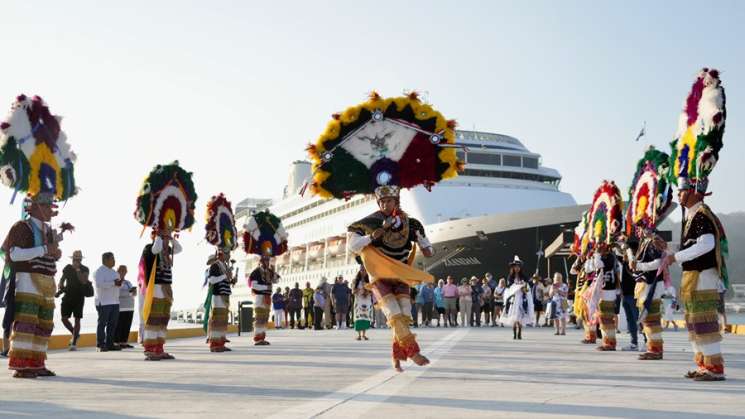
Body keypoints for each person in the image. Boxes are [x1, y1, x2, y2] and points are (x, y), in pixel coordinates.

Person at [348, 184, 435, 372]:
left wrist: (426, 246)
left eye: (389, 201)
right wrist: (372, 236)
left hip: (401, 275)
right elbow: (353, 247)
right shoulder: (368, 223)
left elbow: (428, 251)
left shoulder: (412, 224)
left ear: (397, 201)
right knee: (394, 314)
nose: (385, 204)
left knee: (404, 315)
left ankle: (396, 356)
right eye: (382, 201)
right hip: (379, 276)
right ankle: (413, 352)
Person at [663, 180, 728, 380]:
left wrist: (676, 257)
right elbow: (692, 248)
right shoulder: (693, 216)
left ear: (693, 192)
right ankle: (703, 364)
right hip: (694, 276)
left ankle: (714, 367)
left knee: (704, 320)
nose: (677, 193)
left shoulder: (701, 215)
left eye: (681, 190)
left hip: (703, 275)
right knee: (694, 321)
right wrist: (669, 251)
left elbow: (706, 244)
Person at [2, 193, 63, 378]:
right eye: (46, 206)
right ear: (35, 207)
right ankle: (21, 366)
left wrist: (55, 254)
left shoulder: (48, 230)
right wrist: (45, 249)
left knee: (44, 323)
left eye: (50, 206)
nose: (50, 210)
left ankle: (37, 363)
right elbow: (13, 254)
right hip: (28, 279)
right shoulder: (22, 227)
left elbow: (48, 254)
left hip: (47, 280)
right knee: (27, 321)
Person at [140, 227, 182, 360]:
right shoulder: (149, 248)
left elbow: (179, 249)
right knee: (154, 318)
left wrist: (170, 238)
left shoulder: (167, 250)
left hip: (166, 287)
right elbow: (155, 249)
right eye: (164, 236)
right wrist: (160, 235)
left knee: (163, 319)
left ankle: (159, 348)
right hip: (156, 287)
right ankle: (150, 349)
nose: (166, 238)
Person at [631, 226, 668, 360]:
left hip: (652, 285)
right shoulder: (646, 241)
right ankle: (653, 348)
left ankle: (656, 350)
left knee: (651, 318)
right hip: (646, 284)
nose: (638, 232)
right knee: (648, 319)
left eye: (640, 228)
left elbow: (658, 263)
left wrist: (638, 266)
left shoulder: (654, 241)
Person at [586, 243, 622, 351]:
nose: (597, 249)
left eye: (599, 247)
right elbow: (591, 268)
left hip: (608, 290)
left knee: (607, 318)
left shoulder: (610, 257)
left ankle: (610, 343)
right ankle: (607, 341)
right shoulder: (605, 256)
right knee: (603, 318)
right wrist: (591, 256)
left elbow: (598, 264)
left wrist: (596, 254)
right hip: (604, 290)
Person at [56, 250, 92, 350]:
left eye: (79, 259)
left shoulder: (85, 269)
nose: (77, 260)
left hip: (79, 297)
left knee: (77, 319)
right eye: (75, 259)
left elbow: (84, 281)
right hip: (67, 296)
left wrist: (77, 270)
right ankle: (74, 333)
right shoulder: (67, 267)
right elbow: (62, 279)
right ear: (72, 258)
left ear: (81, 259)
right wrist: (60, 284)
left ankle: (74, 343)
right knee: (64, 319)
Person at [205, 249, 235, 352]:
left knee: (222, 320)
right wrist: (224, 276)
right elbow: (212, 280)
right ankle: (214, 344)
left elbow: (225, 279)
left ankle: (220, 342)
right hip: (218, 295)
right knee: (217, 320)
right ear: (221, 254)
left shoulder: (224, 265)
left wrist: (231, 280)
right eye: (227, 254)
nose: (229, 256)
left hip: (225, 294)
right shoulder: (215, 265)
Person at [249, 254, 280, 345]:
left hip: (267, 297)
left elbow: (276, 281)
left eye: (268, 261)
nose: (267, 262)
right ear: (261, 262)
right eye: (265, 261)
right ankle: (257, 338)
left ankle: (262, 337)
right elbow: (253, 285)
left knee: (265, 318)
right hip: (259, 297)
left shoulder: (269, 271)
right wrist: (265, 287)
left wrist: (274, 273)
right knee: (259, 318)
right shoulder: (256, 272)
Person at [94, 252, 122, 352]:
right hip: (104, 301)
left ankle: (110, 344)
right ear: (106, 260)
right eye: (112, 259)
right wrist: (113, 283)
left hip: (115, 301)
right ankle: (100, 344)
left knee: (112, 324)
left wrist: (119, 284)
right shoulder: (99, 271)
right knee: (102, 324)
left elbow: (118, 285)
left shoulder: (115, 272)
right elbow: (99, 284)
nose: (114, 261)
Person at [500, 270, 534, 339]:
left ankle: (520, 333)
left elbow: (527, 290)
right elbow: (509, 289)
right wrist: (515, 288)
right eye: (515, 267)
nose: (517, 268)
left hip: (521, 300)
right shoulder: (510, 277)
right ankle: (514, 334)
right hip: (513, 300)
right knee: (514, 317)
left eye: (518, 267)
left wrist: (524, 289)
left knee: (520, 318)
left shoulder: (524, 278)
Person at [114, 265, 136, 349]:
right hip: (120, 307)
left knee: (127, 325)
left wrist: (133, 292)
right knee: (119, 326)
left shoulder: (128, 282)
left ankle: (124, 342)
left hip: (130, 307)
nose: (123, 272)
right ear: (117, 271)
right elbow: (118, 293)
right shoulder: (116, 282)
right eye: (121, 270)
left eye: (124, 271)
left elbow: (133, 294)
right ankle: (117, 342)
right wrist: (129, 293)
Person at [352, 264, 372, 340]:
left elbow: (372, 290)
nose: (363, 272)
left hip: (367, 300)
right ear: (359, 271)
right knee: (359, 317)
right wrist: (360, 290)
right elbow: (353, 291)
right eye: (362, 270)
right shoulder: (355, 281)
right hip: (359, 301)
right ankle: (359, 335)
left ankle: (364, 334)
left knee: (365, 317)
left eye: (364, 270)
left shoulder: (369, 280)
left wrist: (367, 292)